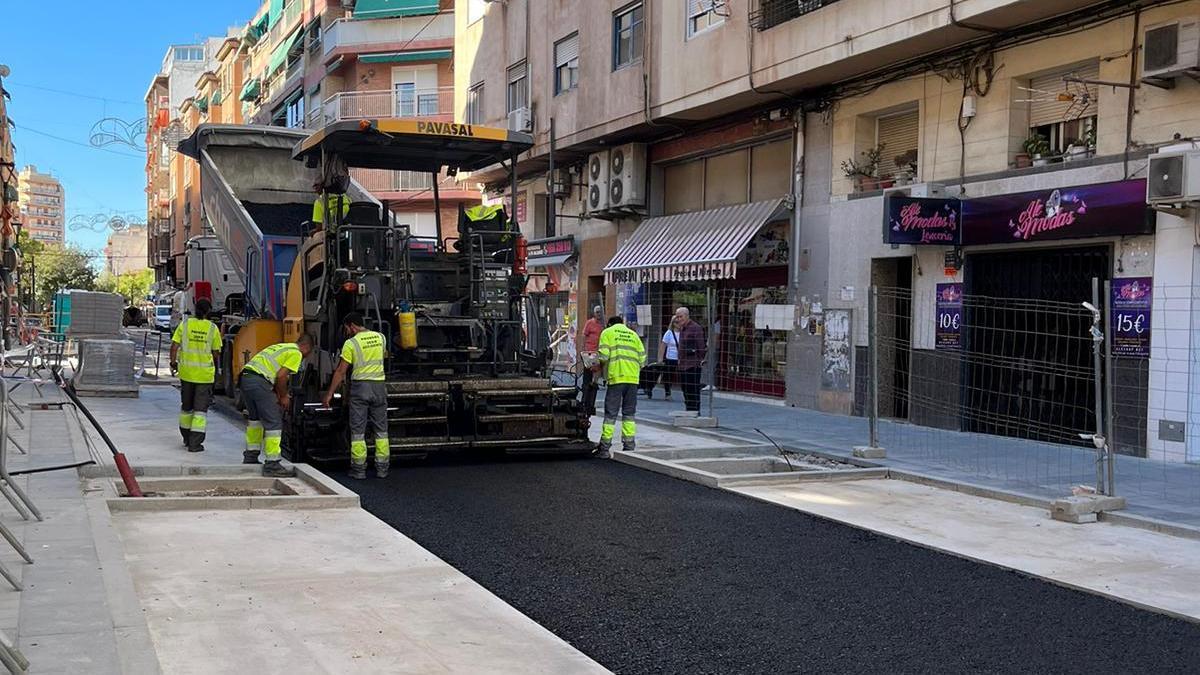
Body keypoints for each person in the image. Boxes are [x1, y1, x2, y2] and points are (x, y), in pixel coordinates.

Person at [322, 313, 388, 479]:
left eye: (346, 328)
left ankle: (359, 470)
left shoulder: (351, 343)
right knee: (381, 431)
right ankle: (382, 468)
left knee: (358, 431)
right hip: (379, 387)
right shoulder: (381, 337)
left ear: (351, 326)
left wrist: (329, 393)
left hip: (360, 388)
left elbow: (341, 371)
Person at [241, 335, 315, 476]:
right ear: (306, 347)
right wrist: (283, 396)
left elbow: (274, 372)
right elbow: (281, 376)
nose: (306, 356)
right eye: (308, 353)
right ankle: (272, 464)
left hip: (246, 378)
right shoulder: (296, 353)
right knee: (274, 422)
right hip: (259, 381)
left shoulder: (282, 346)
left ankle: (250, 457)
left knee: (255, 420)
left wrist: (276, 391)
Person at [169, 298, 221, 453]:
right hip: (204, 377)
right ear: (207, 312)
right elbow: (216, 353)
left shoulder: (185, 325)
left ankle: (186, 438)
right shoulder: (212, 328)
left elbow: (174, 346)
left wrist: (173, 362)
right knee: (200, 411)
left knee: (186, 408)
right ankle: (195, 444)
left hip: (186, 374)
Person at [596, 315, 645, 457]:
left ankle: (604, 448)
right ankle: (629, 446)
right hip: (633, 380)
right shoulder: (633, 335)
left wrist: (594, 363)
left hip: (617, 378)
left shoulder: (608, 333)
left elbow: (604, 356)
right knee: (629, 414)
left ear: (610, 324)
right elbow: (642, 359)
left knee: (611, 414)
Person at [674, 307, 707, 413]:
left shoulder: (695, 328)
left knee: (693, 389)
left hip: (693, 365)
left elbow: (701, 346)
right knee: (685, 389)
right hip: (683, 365)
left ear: (687, 316)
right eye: (677, 317)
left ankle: (695, 411)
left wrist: (700, 359)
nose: (679, 319)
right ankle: (689, 410)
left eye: (680, 316)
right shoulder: (682, 328)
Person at [579, 305, 603, 416]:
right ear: (594, 313)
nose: (599, 314)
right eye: (597, 312)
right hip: (589, 353)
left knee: (596, 377)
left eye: (600, 312)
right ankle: (585, 400)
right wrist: (583, 349)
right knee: (587, 376)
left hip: (598, 353)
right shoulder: (590, 323)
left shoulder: (603, 325)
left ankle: (590, 401)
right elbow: (584, 335)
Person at [656, 316, 680, 400]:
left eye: (679, 322)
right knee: (668, 376)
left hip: (681, 358)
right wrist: (660, 359)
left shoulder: (684, 332)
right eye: (676, 322)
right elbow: (663, 346)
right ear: (672, 323)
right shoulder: (669, 333)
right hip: (671, 357)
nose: (678, 324)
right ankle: (667, 393)